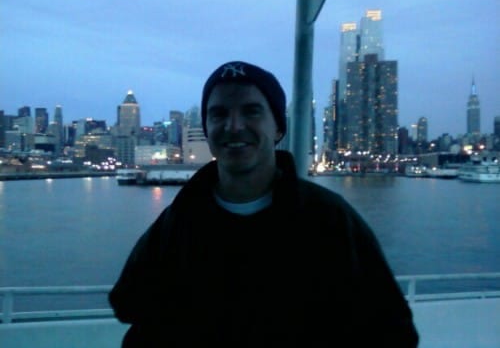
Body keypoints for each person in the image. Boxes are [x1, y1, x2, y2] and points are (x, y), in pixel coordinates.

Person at [108, 60, 419, 347]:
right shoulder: (179, 220)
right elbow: (128, 304)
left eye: (251, 111)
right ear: (206, 128)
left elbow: (393, 327)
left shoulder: (328, 219)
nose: (233, 126)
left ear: (278, 127)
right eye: (218, 114)